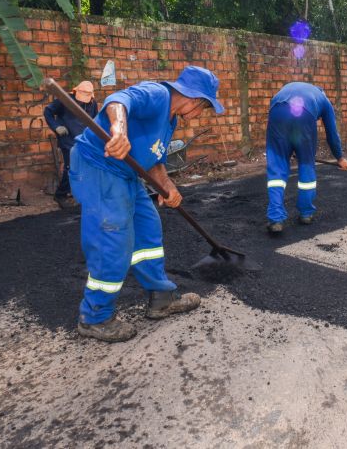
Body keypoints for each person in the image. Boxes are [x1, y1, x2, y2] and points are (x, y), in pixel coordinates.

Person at [69, 66, 224, 342]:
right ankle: (95, 317)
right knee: (114, 239)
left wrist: (167, 186)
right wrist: (118, 130)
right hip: (98, 166)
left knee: (148, 229)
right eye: (205, 108)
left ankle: (161, 297)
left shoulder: (170, 121)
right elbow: (118, 100)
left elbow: (154, 160)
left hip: (127, 174)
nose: (201, 114)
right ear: (195, 100)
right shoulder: (156, 95)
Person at [265, 82, 347, 233]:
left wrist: (288, 146)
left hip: (276, 110)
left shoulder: (289, 88)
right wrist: (340, 157)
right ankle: (305, 214)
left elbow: (284, 121)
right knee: (306, 163)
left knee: (277, 167)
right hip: (304, 114)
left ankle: (275, 219)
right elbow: (332, 133)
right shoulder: (323, 100)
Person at [43, 80, 98, 208]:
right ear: (76, 91)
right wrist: (56, 126)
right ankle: (61, 195)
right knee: (71, 167)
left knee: (87, 167)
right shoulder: (65, 100)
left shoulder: (92, 103)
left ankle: (83, 194)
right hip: (68, 140)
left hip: (84, 140)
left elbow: (95, 120)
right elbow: (48, 112)